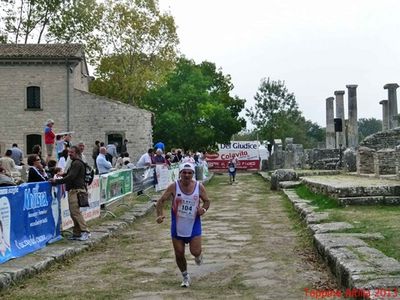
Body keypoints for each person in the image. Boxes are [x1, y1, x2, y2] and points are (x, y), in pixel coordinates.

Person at [155, 162, 210, 288]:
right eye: (184, 172)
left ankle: (198, 255)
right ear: (180, 173)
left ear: (192, 174)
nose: (186, 175)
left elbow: (207, 201)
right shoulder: (174, 186)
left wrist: (203, 209)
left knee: (195, 251)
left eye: (189, 173)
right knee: (179, 253)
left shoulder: (198, 186)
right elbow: (161, 201)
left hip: (193, 224)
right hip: (177, 225)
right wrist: (159, 215)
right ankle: (185, 277)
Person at [49, 145, 90, 241]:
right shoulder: (76, 163)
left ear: (77, 153)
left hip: (76, 191)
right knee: (73, 213)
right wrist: (63, 174)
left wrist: (57, 181)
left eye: (72, 152)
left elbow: (71, 177)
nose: (70, 154)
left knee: (75, 212)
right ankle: (77, 233)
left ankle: (85, 231)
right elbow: (71, 174)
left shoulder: (76, 163)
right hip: (75, 190)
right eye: (69, 152)